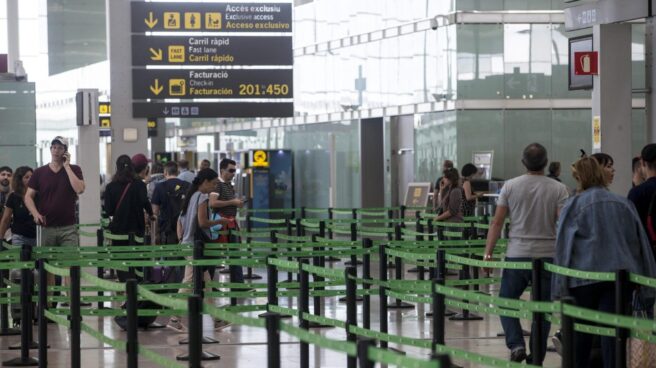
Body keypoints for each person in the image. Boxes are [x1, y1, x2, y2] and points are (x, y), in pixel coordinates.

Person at [552, 157, 656, 368]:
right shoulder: (623, 204)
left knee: (580, 339)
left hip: (582, 281)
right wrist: (647, 286)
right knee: (614, 339)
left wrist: (559, 287)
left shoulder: (572, 206)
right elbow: (641, 245)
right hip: (619, 281)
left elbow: (563, 247)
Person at [483, 143, 569, 364]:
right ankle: (537, 356)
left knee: (506, 301)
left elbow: (497, 222)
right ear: (546, 162)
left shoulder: (510, 186)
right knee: (543, 308)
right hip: (548, 256)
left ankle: (516, 344)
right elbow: (563, 223)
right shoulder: (558, 188)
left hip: (517, 255)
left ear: (523, 162)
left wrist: (488, 254)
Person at [166, 169, 231, 332]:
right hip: (195, 247)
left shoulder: (190, 196)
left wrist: (183, 237)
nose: (215, 187)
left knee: (206, 282)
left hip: (187, 243)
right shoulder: (201, 197)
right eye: (214, 183)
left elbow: (180, 221)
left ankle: (216, 319)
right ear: (205, 182)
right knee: (189, 281)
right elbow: (202, 222)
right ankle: (174, 318)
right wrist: (220, 221)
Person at [25, 136, 85, 291]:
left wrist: (67, 167)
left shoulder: (75, 169)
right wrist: (35, 213)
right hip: (47, 227)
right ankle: (48, 306)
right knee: (47, 268)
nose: (56, 150)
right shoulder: (39, 172)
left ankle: (72, 307)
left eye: (60, 148)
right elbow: (28, 196)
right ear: (50, 149)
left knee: (70, 267)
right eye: (53, 147)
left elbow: (79, 189)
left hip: (68, 227)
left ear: (65, 151)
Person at [103, 155, 154, 282]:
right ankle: (136, 291)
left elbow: (108, 210)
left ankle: (126, 289)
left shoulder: (110, 187)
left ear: (117, 167)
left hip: (118, 231)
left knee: (121, 261)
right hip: (136, 230)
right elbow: (145, 202)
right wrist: (151, 214)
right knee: (136, 261)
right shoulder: (139, 185)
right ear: (131, 167)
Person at [210, 158, 244, 283]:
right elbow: (213, 203)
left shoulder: (229, 185)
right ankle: (208, 283)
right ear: (222, 170)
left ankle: (238, 284)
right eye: (230, 170)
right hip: (220, 225)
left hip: (231, 224)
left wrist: (236, 203)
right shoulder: (217, 185)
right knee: (213, 256)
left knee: (235, 255)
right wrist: (232, 202)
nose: (233, 173)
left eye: (234, 170)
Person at [151, 161, 190, 245]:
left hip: (166, 230)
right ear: (178, 172)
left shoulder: (159, 187)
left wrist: (155, 234)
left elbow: (155, 213)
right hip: (185, 230)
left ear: (165, 172)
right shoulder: (187, 186)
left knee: (167, 255)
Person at [0, 167, 35, 246]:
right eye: (26, 177)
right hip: (19, 237)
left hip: (37, 237)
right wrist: (0, 239)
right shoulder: (13, 196)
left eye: (32, 177)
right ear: (20, 180)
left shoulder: (38, 195)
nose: (30, 179)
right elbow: (6, 219)